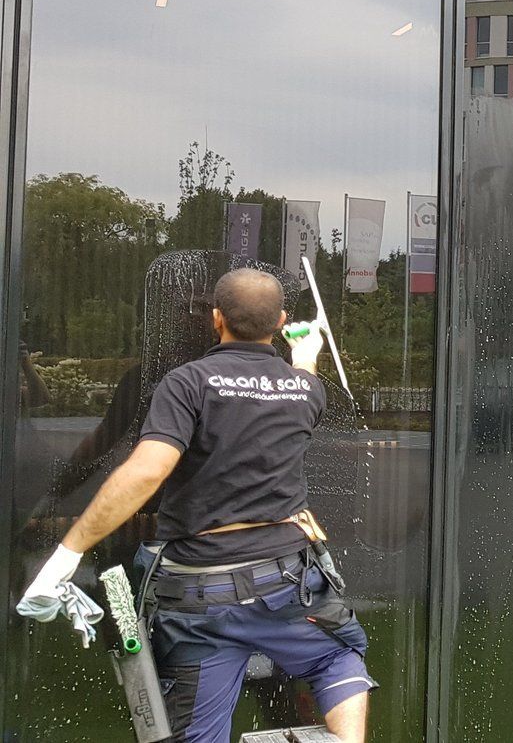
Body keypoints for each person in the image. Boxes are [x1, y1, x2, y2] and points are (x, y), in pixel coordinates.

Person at [14, 268, 371, 743]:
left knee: (197, 733)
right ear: (281, 320)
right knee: (337, 657)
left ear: (216, 319)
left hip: (201, 598)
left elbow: (146, 470)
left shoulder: (188, 382)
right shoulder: (305, 389)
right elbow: (295, 388)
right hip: (283, 583)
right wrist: (305, 357)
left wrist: (68, 551)